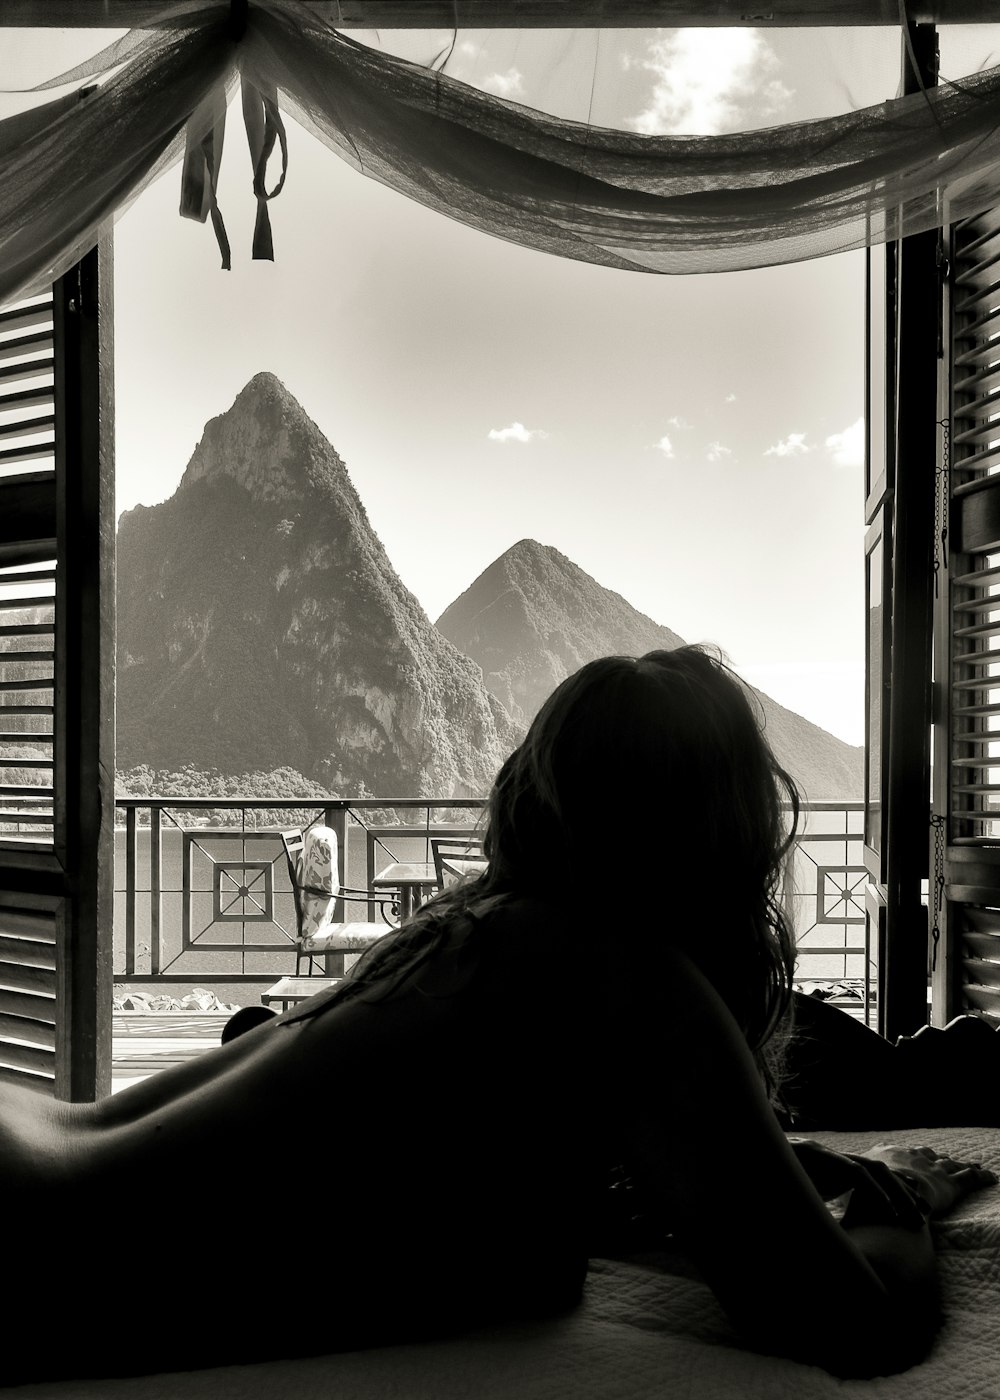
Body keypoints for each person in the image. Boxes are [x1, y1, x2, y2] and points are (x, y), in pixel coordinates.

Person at [2, 647, 994, 1385]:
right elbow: (849, 1323)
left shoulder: (469, 926)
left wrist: (783, 1162)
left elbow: (542, 1179)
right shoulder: (624, 974)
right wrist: (898, 1196)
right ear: (728, 826)